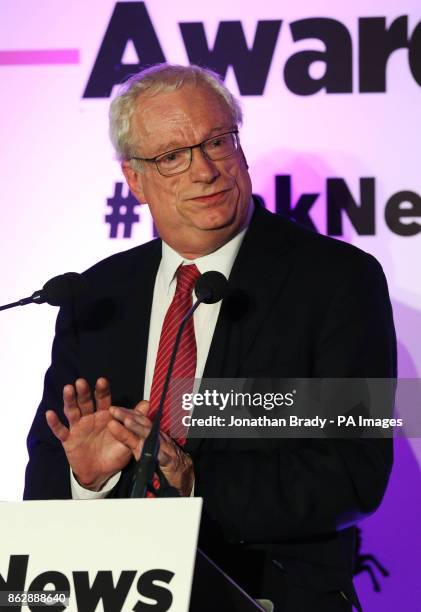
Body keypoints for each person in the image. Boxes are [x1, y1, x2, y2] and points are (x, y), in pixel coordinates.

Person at [24, 64, 396, 611]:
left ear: (240, 149)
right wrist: (88, 479)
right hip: (115, 591)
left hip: (272, 592)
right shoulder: (96, 295)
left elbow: (354, 471)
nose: (204, 171)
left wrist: (194, 479)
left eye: (217, 141)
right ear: (134, 180)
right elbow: (50, 469)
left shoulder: (338, 280)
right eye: (172, 156)